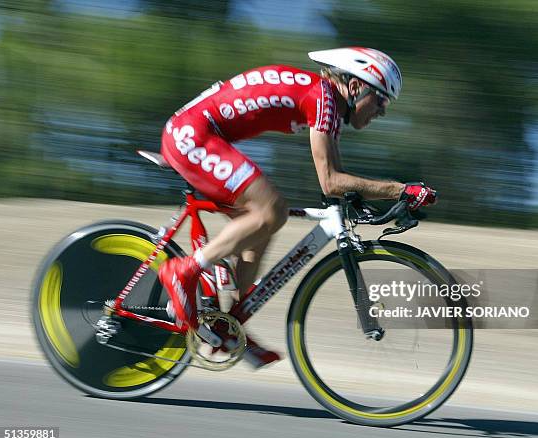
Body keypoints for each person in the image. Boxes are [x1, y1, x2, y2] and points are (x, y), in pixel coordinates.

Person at [158, 47, 437, 368]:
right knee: (272, 210)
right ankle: (184, 271)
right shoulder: (323, 98)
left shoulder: (326, 100)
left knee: (261, 227)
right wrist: (401, 190)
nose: (383, 111)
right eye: (382, 101)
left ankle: (228, 323)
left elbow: (336, 179)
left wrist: (365, 197)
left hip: (201, 134)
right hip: (192, 136)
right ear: (358, 87)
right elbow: (331, 181)